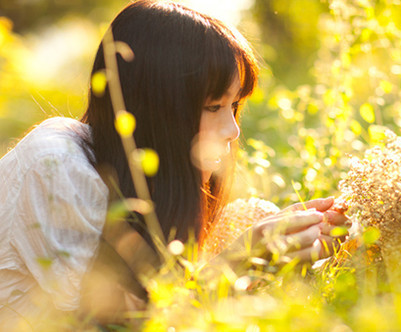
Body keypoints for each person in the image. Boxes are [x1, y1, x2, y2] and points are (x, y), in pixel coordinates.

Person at [0, 0, 349, 329]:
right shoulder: (56, 161)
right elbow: (110, 325)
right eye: (214, 107)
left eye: (234, 106)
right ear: (156, 109)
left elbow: (168, 303)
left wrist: (290, 245)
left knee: (254, 216)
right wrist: (239, 260)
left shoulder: (149, 183)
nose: (233, 130)